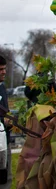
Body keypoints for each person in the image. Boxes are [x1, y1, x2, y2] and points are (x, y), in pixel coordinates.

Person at [0, 57, 11, 188]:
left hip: (4, 140)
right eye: (0, 69)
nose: (4, 72)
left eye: (4, 69)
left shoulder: (2, 88)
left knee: (5, 179)